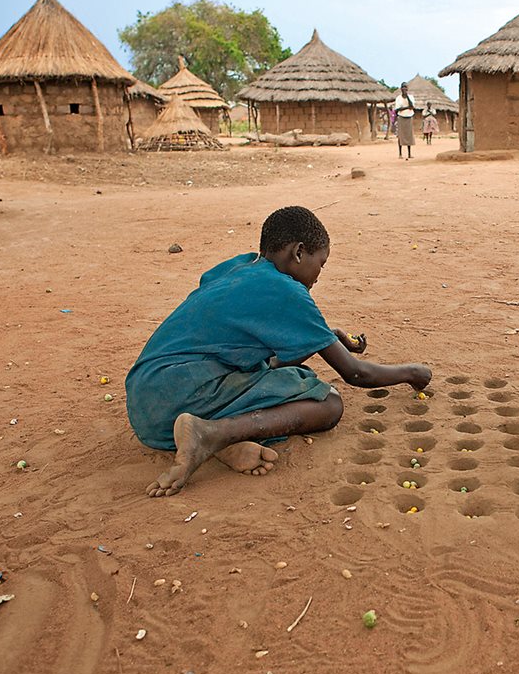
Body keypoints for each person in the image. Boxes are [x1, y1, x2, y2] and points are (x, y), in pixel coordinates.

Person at [127, 206, 432, 497]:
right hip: (187, 393)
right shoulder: (287, 291)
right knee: (327, 402)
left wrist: (327, 337)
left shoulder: (239, 266)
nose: (319, 274)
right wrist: (413, 373)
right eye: (321, 264)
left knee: (288, 374)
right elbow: (356, 373)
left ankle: (217, 443)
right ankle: (214, 434)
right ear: (299, 253)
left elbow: (265, 361)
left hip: (149, 405)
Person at [394, 82, 417, 159]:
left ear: (407, 89)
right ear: (401, 88)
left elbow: (412, 106)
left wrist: (407, 97)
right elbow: (397, 109)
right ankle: (400, 154)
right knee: (401, 136)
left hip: (409, 117)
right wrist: (407, 107)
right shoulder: (398, 98)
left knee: (409, 136)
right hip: (401, 117)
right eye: (403, 87)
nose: (404, 88)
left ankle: (409, 153)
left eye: (405, 87)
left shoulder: (411, 97)